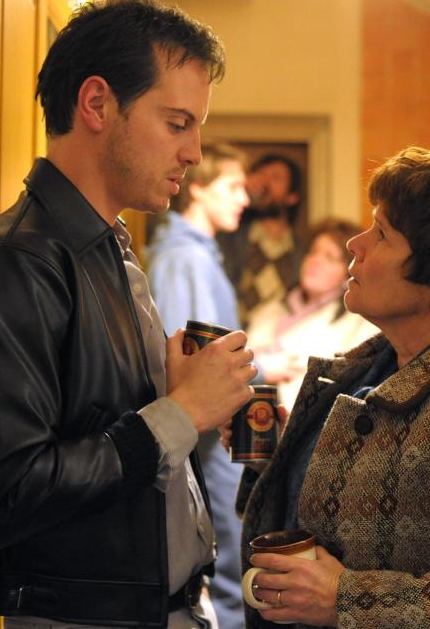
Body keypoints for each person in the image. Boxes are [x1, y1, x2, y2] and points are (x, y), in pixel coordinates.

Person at [0, 0, 258, 628]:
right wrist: (179, 412)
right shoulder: (20, 258)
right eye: (177, 124)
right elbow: (9, 492)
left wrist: (179, 398)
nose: (195, 152)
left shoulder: (110, 247)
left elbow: (108, 432)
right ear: (96, 105)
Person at [225, 147, 430, 628]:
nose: (355, 244)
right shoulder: (362, 370)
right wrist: (276, 457)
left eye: (381, 233)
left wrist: (347, 600)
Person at [147, 142, 251, 629]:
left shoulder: (200, 255)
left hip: (221, 429)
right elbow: (189, 356)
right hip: (211, 435)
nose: (244, 198)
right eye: (232, 185)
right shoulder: (184, 259)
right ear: (200, 190)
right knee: (229, 568)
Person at [246, 219, 379, 407]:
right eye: (313, 251)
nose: (315, 261)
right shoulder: (269, 310)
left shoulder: (356, 324)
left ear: (348, 273)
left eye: (330, 257)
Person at [218, 154, 304, 324]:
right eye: (261, 174)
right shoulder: (231, 237)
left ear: (292, 196)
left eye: (275, 178)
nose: (264, 182)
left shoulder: (302, 250)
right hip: (234, 339)